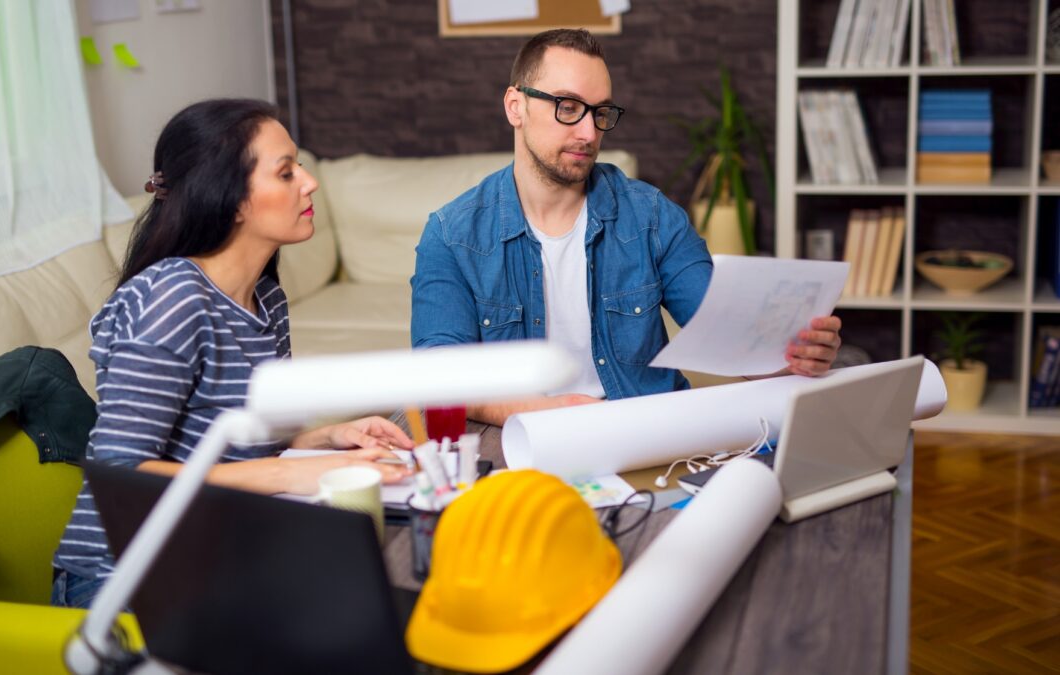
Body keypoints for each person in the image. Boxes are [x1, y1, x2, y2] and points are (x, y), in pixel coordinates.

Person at [52, 99, 413, 609]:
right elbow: (121, 476)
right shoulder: (172, 298)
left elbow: (236, 445)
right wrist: (295, 471)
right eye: (286, 173)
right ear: (231, 200)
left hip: (216, 549)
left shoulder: (265, 298)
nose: (309, 183)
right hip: (121, 579)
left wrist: (329, 438)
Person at [410, 29, 842, 426]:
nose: (588, 132)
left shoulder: (653, 216)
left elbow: (727, 337)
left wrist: (795, 357)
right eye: (568, 107)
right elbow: (438, 377)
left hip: (640, 429)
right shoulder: (451, 234)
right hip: (520, 431)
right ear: (515, 106)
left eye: (600, 113)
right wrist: (552, 412)